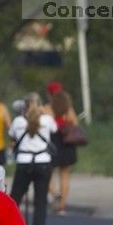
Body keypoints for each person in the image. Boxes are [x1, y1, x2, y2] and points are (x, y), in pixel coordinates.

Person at [9, 98, 57, 225]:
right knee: (40, 200)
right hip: (42, 161)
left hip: (24, 161)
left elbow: (12, 136)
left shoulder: (18, 121)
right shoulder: (47, 119)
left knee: (14, 199)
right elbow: (55, 130)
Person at [46, 86, 80, 214]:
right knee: (65, 175)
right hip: (66, 143)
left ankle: (55, 194)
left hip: (52, 143)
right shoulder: (68, 109)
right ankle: (62, 205)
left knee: (47, 173)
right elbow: (75, 124)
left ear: (49, 95)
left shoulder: (47, 108)